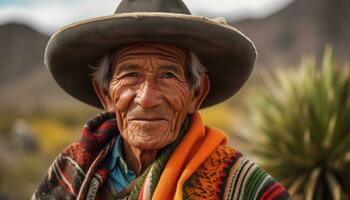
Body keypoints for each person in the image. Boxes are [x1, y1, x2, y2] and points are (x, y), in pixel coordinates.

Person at [32, 0, 290, 199]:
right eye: (131, 75)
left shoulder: (239, 184)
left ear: (196, 94)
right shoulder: (71, 169)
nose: (147, 98)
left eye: (167, 75)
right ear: (106, 94)